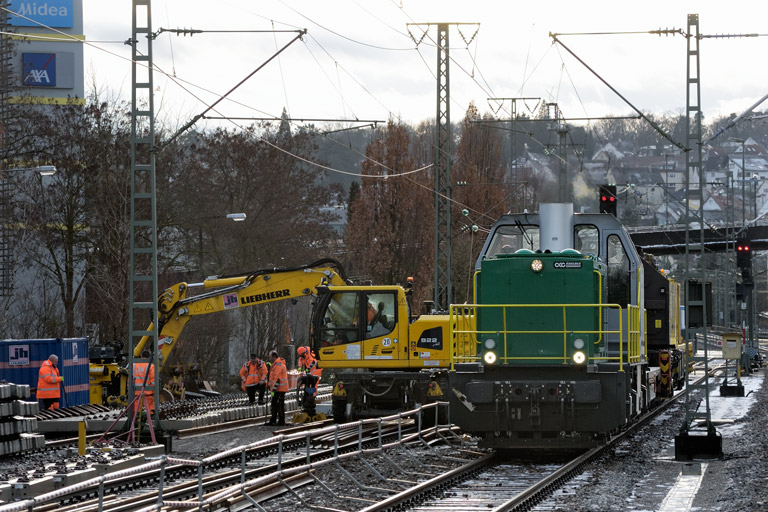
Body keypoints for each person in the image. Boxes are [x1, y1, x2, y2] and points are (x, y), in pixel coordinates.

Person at [265, 349, 288, 426]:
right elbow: (272, 378)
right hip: (277, 389)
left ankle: (280, 421)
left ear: (274, 357)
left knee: (279, 405)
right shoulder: (275, 365)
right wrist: (269, 386)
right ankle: (274, 420)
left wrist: (273, 390)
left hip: (279, 389)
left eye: (270, 357)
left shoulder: (278, 365)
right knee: (275, 404)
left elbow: (277, 379)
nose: (269, 359)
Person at [133, 350, 156, 417]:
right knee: (150, 411)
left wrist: (130, 390)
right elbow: (153, 380)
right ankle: (149, 419)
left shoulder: (134, 365)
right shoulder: (151, 366)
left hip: (136, 393)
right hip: (147, 393)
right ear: (149, 357)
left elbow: (130, 380)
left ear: (141, 356)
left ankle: (137, 419)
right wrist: (153, 391)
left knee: (136, 411)